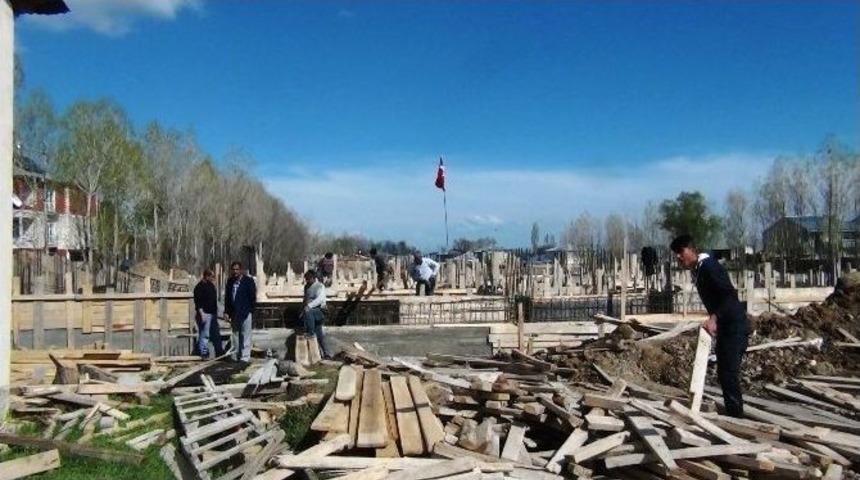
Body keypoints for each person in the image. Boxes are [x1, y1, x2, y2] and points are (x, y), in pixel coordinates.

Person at [671, 234, 749, 417]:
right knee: (725, 373)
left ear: (692, 249)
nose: (678, 257)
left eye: (681, 251)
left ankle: (737, 419)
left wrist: (714, 318)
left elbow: (729, 295)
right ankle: (734, 415)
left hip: (734, 326)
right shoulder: (699, 269)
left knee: (728, 373)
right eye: (676, 253)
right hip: (726, 326)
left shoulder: (709, 267)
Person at [224, 261, 256, 363]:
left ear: (241, 270)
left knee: (245, 335)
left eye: (237, 269)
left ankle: (245, 357)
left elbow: (252, 297)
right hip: (234, 313)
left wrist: (250, 310)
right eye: (233, 269)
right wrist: (226, 311)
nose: (235, 272)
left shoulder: (248, 281)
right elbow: (227, 298)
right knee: (235, 335)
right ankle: (236, 355)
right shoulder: (230, 282)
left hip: (245, 312)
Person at [193, 269, 222, 359]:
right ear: (206, 276)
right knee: (205, 334)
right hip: (204, 313)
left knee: (215, 334)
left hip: (212, 314)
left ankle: (219, 351)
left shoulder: (211, 286)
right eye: (211, 277)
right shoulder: (199, 287)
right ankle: (203, 352)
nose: (213, 279)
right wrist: (202, 313)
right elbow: (198, 302)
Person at [302, 269, 331, 358]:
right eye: (306, 279)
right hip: (309, 313)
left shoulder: (319, 286)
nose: (307, 281)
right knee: (319, 333)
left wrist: (309, 306)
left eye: (309, 279)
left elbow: (320, 300)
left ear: (314, 278)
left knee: (314, 330)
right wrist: (303, 308)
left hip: (318, 311)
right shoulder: (306, 286)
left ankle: (310, 333)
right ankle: (325, 353)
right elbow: (305, 299)